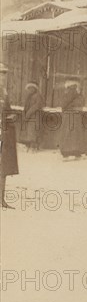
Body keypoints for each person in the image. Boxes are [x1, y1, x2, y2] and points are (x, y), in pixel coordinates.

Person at [0, 64, 18, 209]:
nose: (3, 77)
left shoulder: (4, 92)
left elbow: (6, 111)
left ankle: (1, 199)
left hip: (4, 133)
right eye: (1, 74)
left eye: (5, 74)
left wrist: (10, 117)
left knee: (3, 168)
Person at [59, 78, 87, 159]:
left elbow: (64, 104)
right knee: (77, 135)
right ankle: (77, 152)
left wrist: (66, 108)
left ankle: (66, 153)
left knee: (67, 134)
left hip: (69, 116)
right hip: (76, 115)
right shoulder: (79, 93)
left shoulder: (69, 92)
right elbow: (81, 102)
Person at [21, 82, 45, 150]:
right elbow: (26, 106)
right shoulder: (29, 97)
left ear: (35, 88)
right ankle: (29, 145)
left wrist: (28, 113)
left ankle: (34, 146)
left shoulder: (38, 96)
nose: (30, 90)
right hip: (29, 116)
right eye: (29, 88)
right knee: (29, 131)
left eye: (31, 88)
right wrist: (25, 113)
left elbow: (37, 106)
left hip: (35, 116)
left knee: (34, 131)